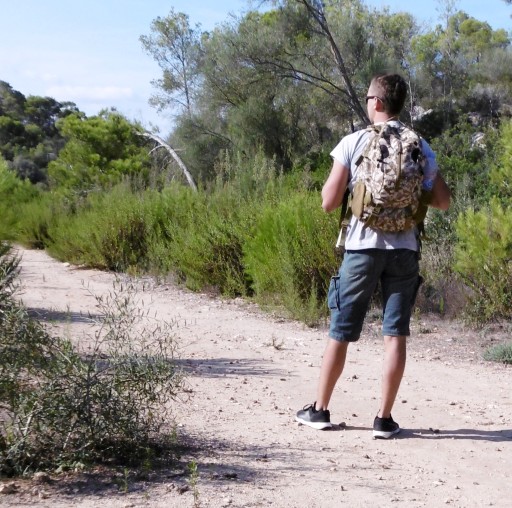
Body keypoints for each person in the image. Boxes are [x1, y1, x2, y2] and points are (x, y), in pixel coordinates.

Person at [295, 73, 451, 438]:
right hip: (405, 250)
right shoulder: (419, 145)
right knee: (395, 334)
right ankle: (384, 418)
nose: (367, 103)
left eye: (369, 97)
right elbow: (443, 202)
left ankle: (319, 410)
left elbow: (328, 202)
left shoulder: (354, 141)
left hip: (361, 248)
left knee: (341, 330)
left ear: (378, 102)